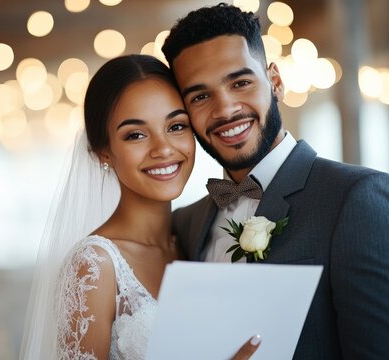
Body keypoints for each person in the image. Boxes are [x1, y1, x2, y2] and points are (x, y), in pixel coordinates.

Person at [162, 3, 389, 359]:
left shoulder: (356, 198)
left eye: (240, 82)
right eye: (201, 96)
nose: (225, 110)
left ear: (276, 82)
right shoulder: (186, 222)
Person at [20, 54, 261, 359]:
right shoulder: (94, 266)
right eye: (135, 134)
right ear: (102, 152)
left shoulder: (194, 237)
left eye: (176, 126)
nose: (163, 149)